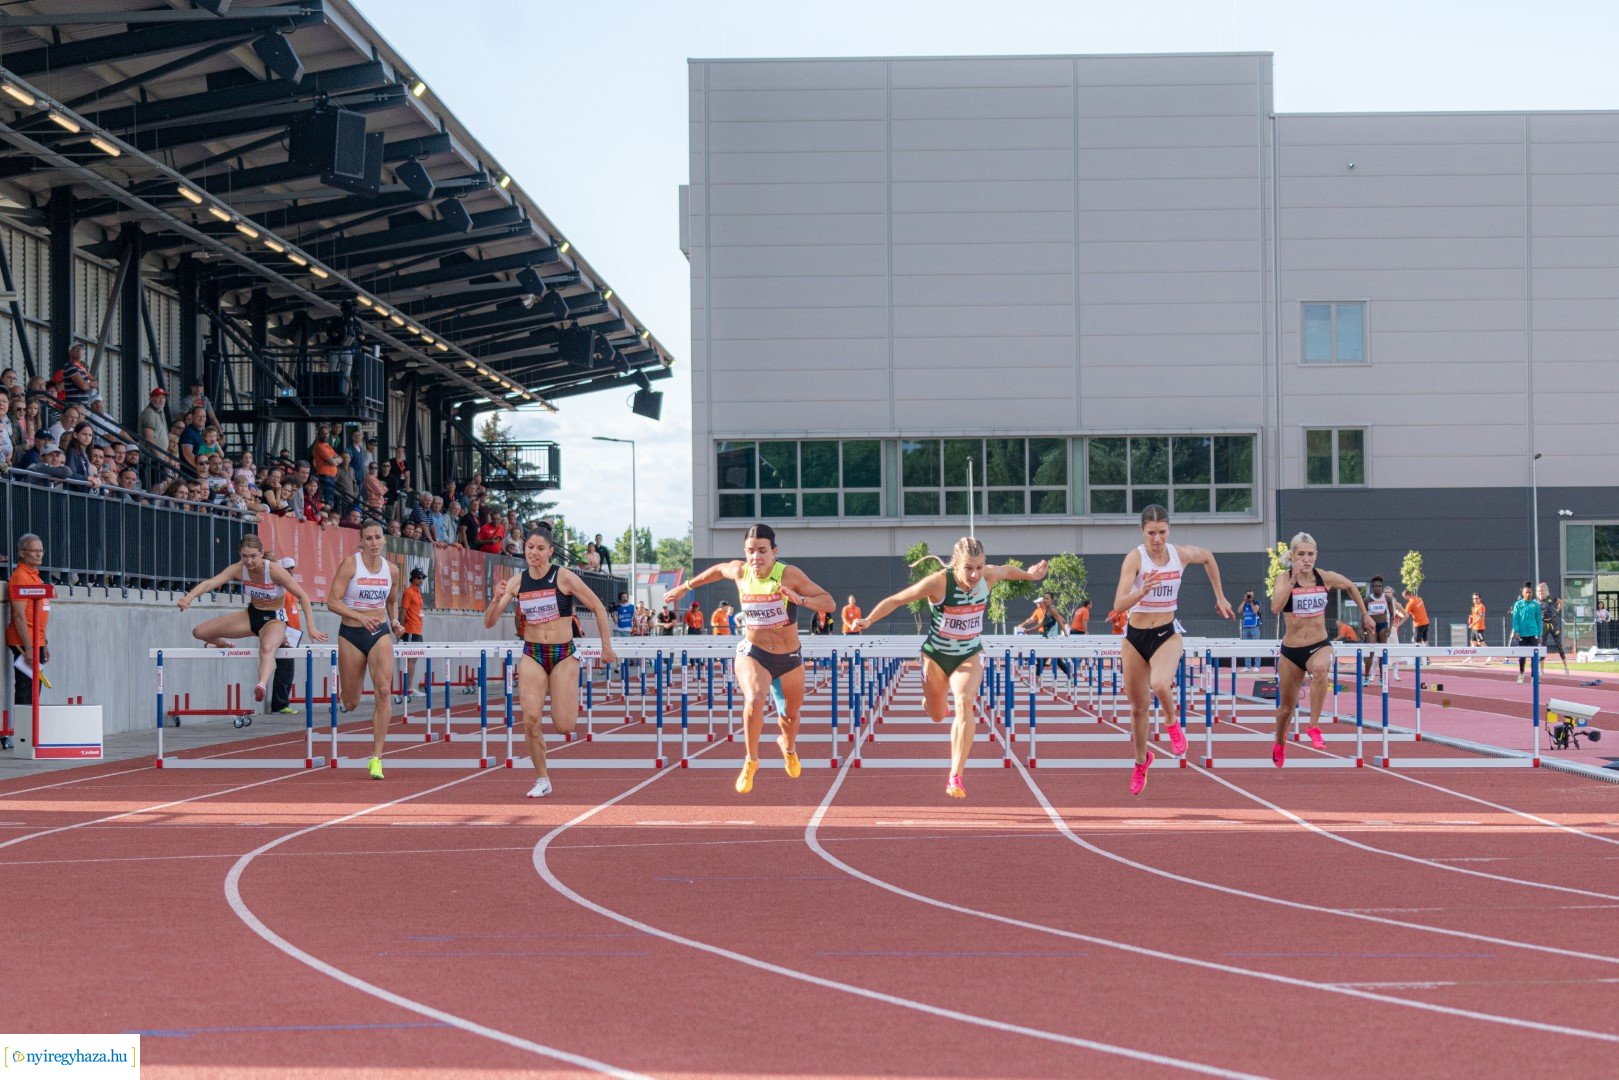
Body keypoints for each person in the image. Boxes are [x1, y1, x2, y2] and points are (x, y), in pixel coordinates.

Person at [857, 538, 1047, 797]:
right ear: (956, 564)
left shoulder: (987, 577)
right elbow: (897, 600)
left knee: (964, 701)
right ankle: (932, 703)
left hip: (969, 653)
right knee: (937, 714)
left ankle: (955, 776)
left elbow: (1007, 570)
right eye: (968, 568)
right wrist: (869, 620)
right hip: (935, 656)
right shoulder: (939, 582)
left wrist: (1030, 575)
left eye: (979, 567)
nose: (974, 574)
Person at [663, 523, 836, 795]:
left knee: (790, 717)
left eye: (762, 551)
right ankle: (751, 760)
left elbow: (828, 603)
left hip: (789, 657)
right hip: (754, 652)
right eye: (750, 551)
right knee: (755, 698)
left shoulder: (789, 575)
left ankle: (788, 748)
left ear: (774, 552)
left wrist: (799, 599)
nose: (756, 557)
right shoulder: (741, 572)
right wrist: (685, 586)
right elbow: (718, 570)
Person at [484, 526, 618, 798]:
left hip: (563, 654)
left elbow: (598, 606)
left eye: (540, 548)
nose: (533, 553)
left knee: (564, 726)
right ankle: (542, 778)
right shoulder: (516, 582)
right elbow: (489, 622)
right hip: (532, 652)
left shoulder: (563, 577)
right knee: (530, 720)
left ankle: (565, 696)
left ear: (550, 552)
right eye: (530, 547)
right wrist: (496, 599)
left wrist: (606, 646)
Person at [1112, 505, 1234, 795]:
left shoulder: (1179, 555)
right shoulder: (1135, 558)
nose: (1157, 539)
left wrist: (1220, 596)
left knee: (1160, 684)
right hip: (1135, 637)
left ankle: (1170, 721)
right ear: (1142, 532)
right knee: (1138, 709)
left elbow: (1208, 557)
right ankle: (1142, 762)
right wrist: (1142, 591)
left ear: (1169, 530)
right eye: (1151, 533)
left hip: (1167, 633)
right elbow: (1118, 604)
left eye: (1162, 532)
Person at [177, 534, 327, 704]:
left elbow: (303, 596)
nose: (249, 561)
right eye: (244, 556)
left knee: (267, 648)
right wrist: (188, 598)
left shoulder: (275, 571)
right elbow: (210, 583)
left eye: (253, 556)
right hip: (251, 616)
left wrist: (311, 627)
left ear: (261, 553)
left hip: (274, 620)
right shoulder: (239, 568)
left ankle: (261, 684)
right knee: (199, 632)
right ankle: (223, 643)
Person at [1268, 533, 1375, 767]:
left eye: (1310, 554)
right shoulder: (1283, 578)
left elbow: (1349, 585)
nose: (1306, 559)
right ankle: (1279, 741)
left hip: (1319, 644)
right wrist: (1292, 579)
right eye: (1301, 554)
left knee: (1320, 669)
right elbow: (1275, 607)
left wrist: (1365, 614)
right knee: (1286, 709)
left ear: (1316, 555)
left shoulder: (1323, 578)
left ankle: (1314, 726)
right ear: (1293, 556)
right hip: (1291, 651)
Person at [327, 522, 403, 779]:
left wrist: (394, 621)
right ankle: (346, 694)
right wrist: (359, 617)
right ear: (361, 541)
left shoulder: (392, 570)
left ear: (384, 541)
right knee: (351, 702)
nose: (373, 542)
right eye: (368, 538)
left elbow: (392, 601)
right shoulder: (351, 564)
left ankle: (377, 757)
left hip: (379, 632)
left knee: (384, 691)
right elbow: (332, 602)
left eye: (377, 538)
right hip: (351, 633)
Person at [7, 533, 50, 718]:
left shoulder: (36, 576)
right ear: (22, 553)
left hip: (36, 640)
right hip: (25, 642)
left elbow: (39, 614)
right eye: (34, 550)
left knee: (34, 689)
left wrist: (44, 642)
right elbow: (18, 615)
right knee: (26, 689)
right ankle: (24, 736)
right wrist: (30, 647)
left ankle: (32, 732)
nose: (39, 554)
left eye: (41, 550)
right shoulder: (20, 577)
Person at [1360, 576, 1404, 684]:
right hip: (1372, 627)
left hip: (1383, 626)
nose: (1378, 588)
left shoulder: (1387, 599)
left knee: (1381, 653)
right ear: (1372, 587)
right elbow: (1363, 615)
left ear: (1382, 587)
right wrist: (1361, 628)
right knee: (1370, 652)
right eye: (1376, 586)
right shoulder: (1367, 599)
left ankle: (1382, 678)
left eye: (1380, 586)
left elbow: (1392, 614)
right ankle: (1366, 677)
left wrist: (1390, 627)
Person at [393, 567, 427, 705]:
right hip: (410, 629)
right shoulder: (408, 592)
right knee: (411, 660)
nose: (420, 580)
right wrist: (400, 629)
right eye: (418, 578)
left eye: (422, 578)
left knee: (414, 658)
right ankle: (409, 688)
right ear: (412, 578)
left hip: (417, 629)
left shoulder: (418, 593)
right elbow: (403, 611)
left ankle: (410, 687)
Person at [1536, 581, 1570, 676]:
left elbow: (1561, 602)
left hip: (1554, 624)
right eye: (1538, 591)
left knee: (1559, 644)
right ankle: (1542, 669)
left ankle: (1566, 667)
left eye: (1542, 591)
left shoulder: (1551, 599)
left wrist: (1557, 610)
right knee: (1542, 646)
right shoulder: (1536, 602)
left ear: (1546, 591)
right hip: (1544, 625)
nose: (1540, 593)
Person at [1510, 582, 1541, 683]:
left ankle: (1534, 676)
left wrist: (1539, 633)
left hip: (1533, 633)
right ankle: (1521, 673)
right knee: (1522, 656)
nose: (1528, 594)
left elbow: (1539, 620)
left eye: (1530, 592)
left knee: (1534, 656)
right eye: (1526, 592)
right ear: (1523, 593)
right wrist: (1517, 631)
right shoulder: (1518, 605)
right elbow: (1515, 619)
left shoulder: (1535, 605)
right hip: (1522, 634)